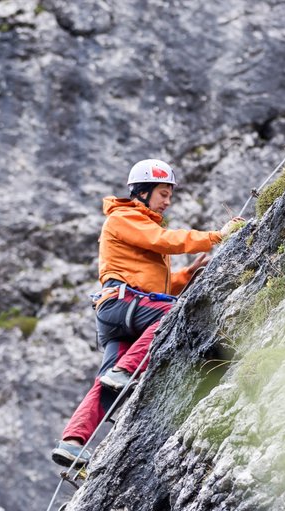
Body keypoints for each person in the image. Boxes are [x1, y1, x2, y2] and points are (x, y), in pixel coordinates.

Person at [51, 158, 244, 468]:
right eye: (163, 193)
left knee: (107, 383)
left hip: (124, 310)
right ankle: (126, 369)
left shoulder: (139, 224)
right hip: (123, 305)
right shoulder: (124, 217)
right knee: (171, 315)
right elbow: (163, 242)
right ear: (143, 191)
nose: (168, 201)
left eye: (169, 195)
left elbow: (153, 281)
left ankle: (72, 441)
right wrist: (215, 236)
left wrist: (186, 276)